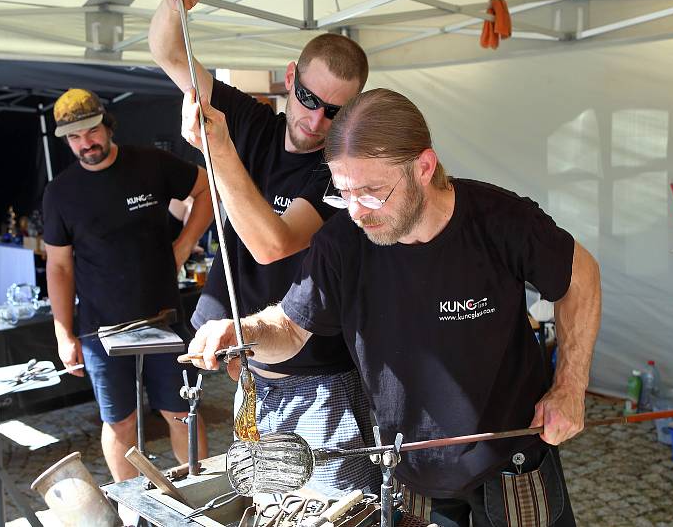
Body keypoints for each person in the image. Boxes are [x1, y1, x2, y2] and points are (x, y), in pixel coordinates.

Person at [188, 89, 601, 527]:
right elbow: (290, 329)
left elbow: (581, 275)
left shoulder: (499, 220)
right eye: (344, 191)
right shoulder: (342, 243)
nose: (357, 211)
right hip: (409, 471)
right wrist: (243, 333)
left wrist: (570, 386)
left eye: (372, 191)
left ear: (423, 167)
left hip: (511, 461)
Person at [149, 0, 380, 495]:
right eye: (310, 99)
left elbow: (271, 244)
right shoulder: (251, 119)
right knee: (266, 506)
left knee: (334, 509)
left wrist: (221, 150)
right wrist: (174, 4)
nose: (316, 120)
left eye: (335, 111)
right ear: (291, 76)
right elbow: (169, 52)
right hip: (255, 375)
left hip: (321, 382)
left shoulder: (339, 171)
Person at [42, 88, 212, 483]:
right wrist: (63, 334)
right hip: (101, 328)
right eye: (74, 138)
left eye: (92, 132)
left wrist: (184, 245)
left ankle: (198, 501)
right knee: (120, 421)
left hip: (162, 316)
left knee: (182, 412)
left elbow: (205, 189)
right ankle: (130, 510)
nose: (86, 144)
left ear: (107, 124)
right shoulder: (60, 193)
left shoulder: (149, 163)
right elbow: (60, 268)